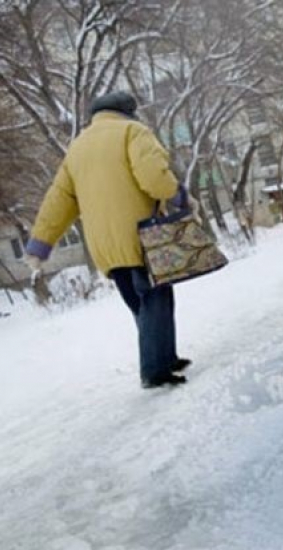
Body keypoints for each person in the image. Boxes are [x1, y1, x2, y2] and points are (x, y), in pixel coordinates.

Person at [23, 91, 193, 389]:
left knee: (142, 301)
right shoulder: (132, 131)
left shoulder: (78, 148)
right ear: (128, 111)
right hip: (141, 235)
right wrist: (179, 197)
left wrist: (41, 244)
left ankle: (164, 356)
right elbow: (153, 176)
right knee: (155, 298)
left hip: (105, 246)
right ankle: (154, 369)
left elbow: (59, 200)